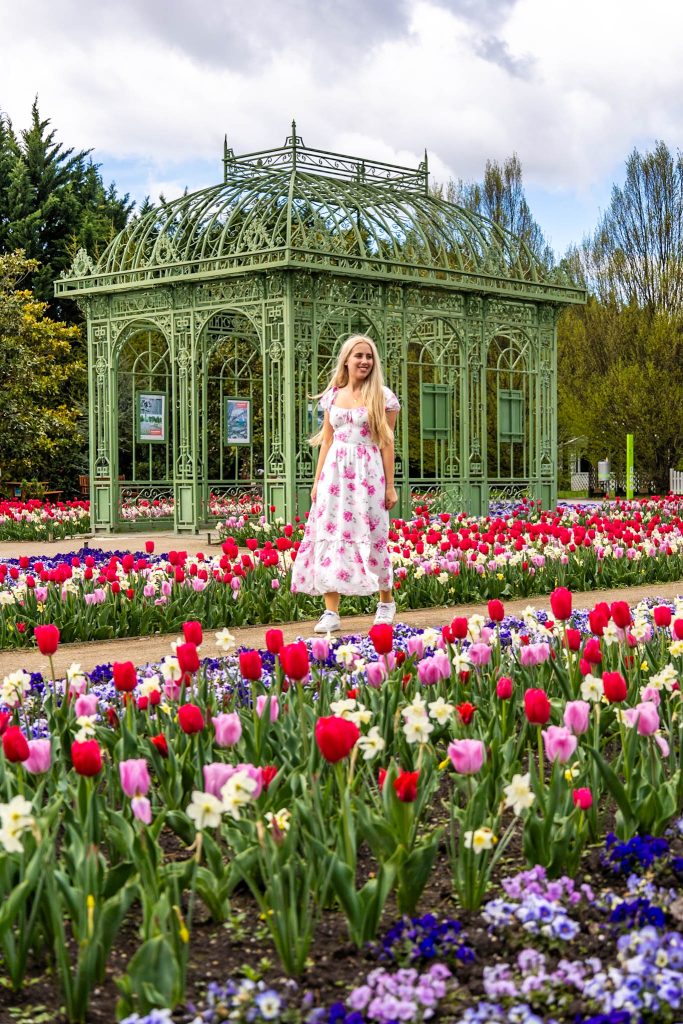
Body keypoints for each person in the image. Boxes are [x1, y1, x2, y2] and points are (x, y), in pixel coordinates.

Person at [291, 334, 400, 633]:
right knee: (330, 535)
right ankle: (331, 611)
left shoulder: (383, 396)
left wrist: (390, 485)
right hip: (334, 476)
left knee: (373, 533)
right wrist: (317, 482)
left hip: (368, 475)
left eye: (369, 357)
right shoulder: (332, 396)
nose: (364, 361)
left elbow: (387, 444)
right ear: (347, 360)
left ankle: (386, 602)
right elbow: (327, 440)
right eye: (359, 356)